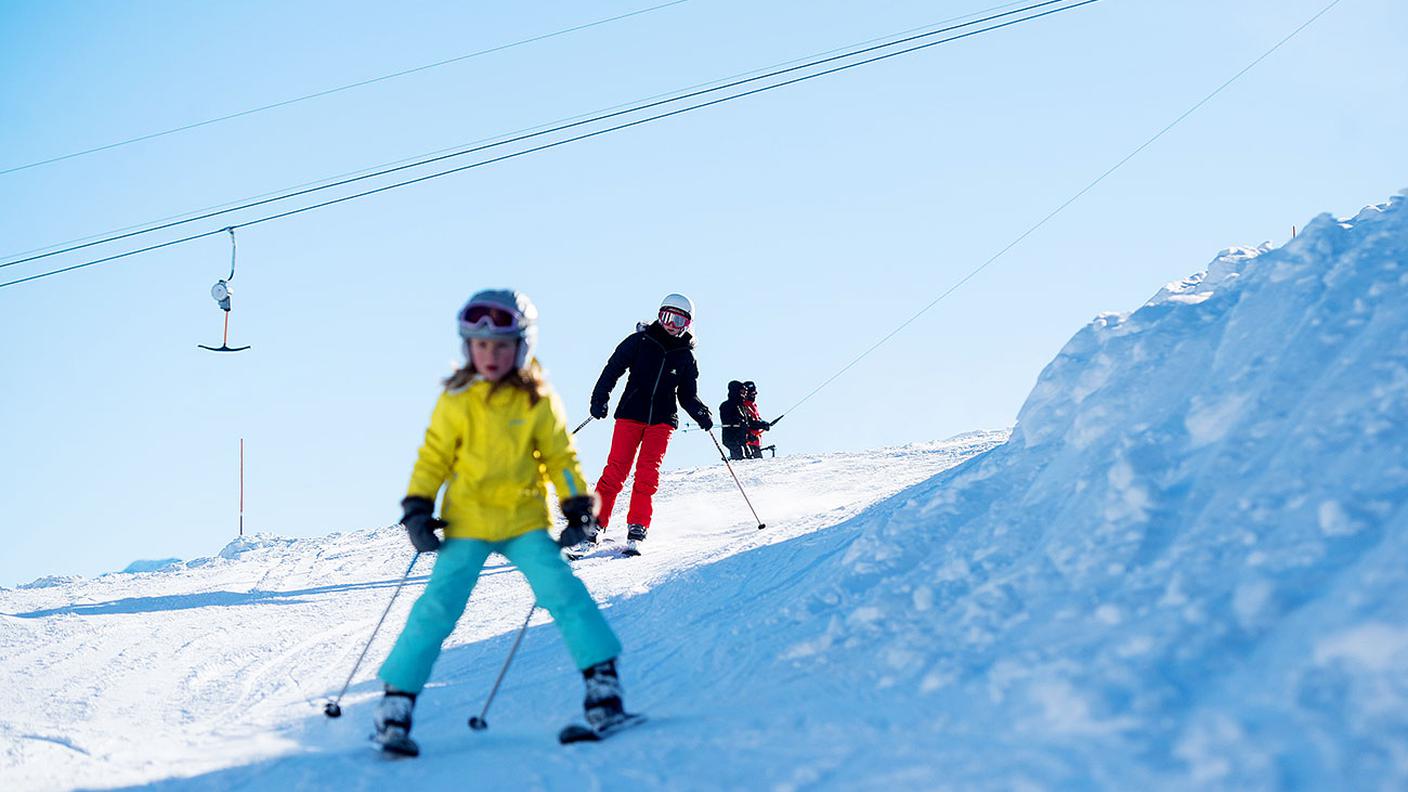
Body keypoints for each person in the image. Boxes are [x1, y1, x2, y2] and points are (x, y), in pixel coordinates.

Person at [372, 289, 627, 757]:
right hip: (467, 523)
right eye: (481, 346)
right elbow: (434, 457)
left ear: (521, 347)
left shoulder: (536, 399)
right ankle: (396, 703)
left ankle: (603, 686)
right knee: (437, 607)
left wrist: (576, 505)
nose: (491, 355)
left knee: (563, 593)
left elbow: (559, 455)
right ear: (467, 347)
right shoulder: (457, 399)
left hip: (522, 520)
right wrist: (417, 505)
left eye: (502, 346)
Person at [587, 293, 713, 556]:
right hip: (631, 413)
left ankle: (637, 527)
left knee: (647, 474)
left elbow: (687, 395)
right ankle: (595, 525)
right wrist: (600, 398)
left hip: (662, 420)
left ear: (687, 324)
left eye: (678, 320)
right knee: (615, 471)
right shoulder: (640, 341)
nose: (670, 324)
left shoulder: (686, 357)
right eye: (667, 316)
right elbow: (613, 368)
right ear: (659, 315)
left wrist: (701, 412)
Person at [719, 380, 769, 460]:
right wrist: (740, 423)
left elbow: (749, 422)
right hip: (732, 439)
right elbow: (729, 420)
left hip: (742, 440)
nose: (744, 393)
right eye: (742, 391)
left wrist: (753, 431)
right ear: (736, 391)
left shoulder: (742, 406)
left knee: (749, 458)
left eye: (745, 391)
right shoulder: (727, 405)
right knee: (741, 460)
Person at [741, 381, 771, 458]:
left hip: (756, 442)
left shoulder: (753, 405)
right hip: (748, 442)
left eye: (755, 393)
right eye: (752, 394)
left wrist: (763, 423)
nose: (754, 396)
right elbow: (749, 422)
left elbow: (756, 419)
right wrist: (761, 425)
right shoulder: (743, 405)